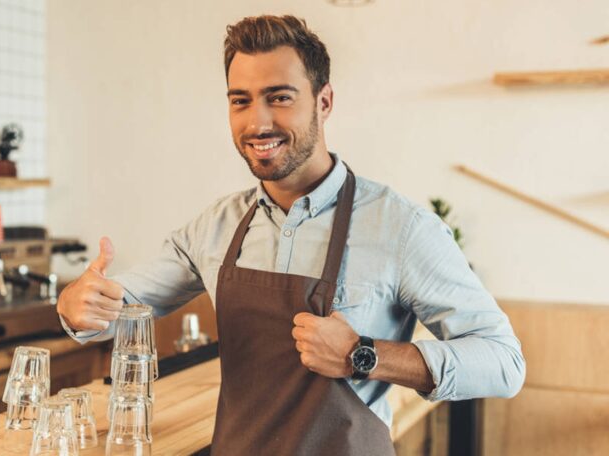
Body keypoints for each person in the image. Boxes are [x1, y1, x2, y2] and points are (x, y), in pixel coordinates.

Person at [57, 15, 525, 455]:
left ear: (324, 102)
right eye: (240, 100)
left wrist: (362, 355)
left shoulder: (400, 227)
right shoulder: (214, 228)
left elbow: (503, 362)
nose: (257, 123)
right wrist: (79, 306)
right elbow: (118, 308)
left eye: (279, 97)